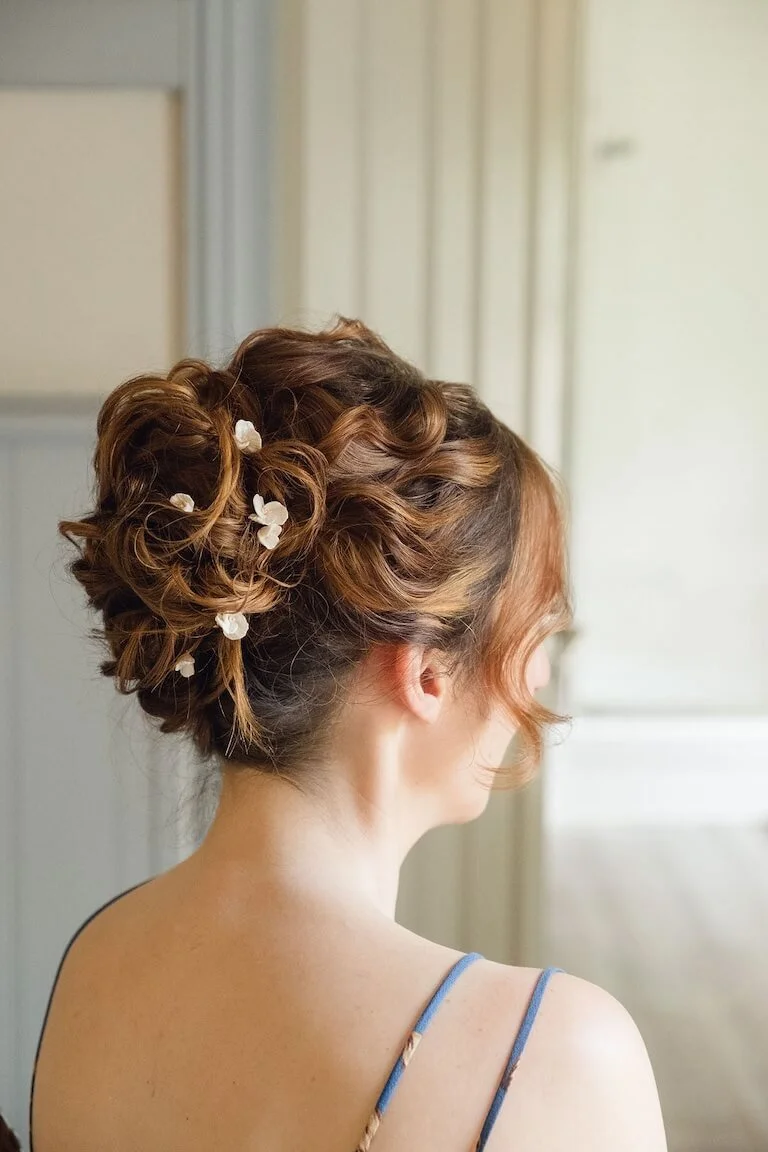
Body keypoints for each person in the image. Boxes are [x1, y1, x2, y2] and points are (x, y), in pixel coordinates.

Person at [26, 318, 667, 1151]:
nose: (538, 676)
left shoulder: (94, 963)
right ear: (429, 671)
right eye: (536, 632)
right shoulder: (549, 1058)